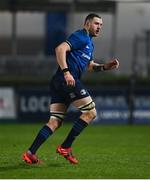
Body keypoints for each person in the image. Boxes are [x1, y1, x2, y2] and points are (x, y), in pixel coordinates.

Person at [22, 13, 119, 165]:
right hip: (67, 80)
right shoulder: (81, 36)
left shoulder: (89, 43)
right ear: (87, 23)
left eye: (101, 25)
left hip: (59, 81)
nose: (99, 27)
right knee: (91, 112)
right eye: (96, 23)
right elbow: (59, 49)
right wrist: (67, 73)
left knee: (55, 122)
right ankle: (65, 147)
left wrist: (106, 66)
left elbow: (89, 66)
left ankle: (30, 153)